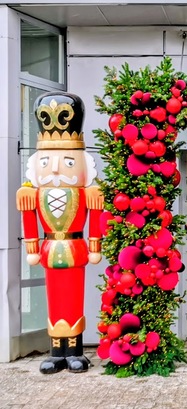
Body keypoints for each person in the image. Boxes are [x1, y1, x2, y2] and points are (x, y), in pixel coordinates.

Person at [16, 92, 103, 374]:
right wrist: (32, 246)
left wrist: (95, 245)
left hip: (76, 248)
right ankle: (56, 351)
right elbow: (29, 219)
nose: (55, 169)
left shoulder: (88, 193)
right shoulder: (32, 194)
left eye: (67, 162)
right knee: (54, 299)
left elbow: (96, 218)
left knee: (73, 298)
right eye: (46, 163)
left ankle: (75, 350)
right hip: (49, 249)